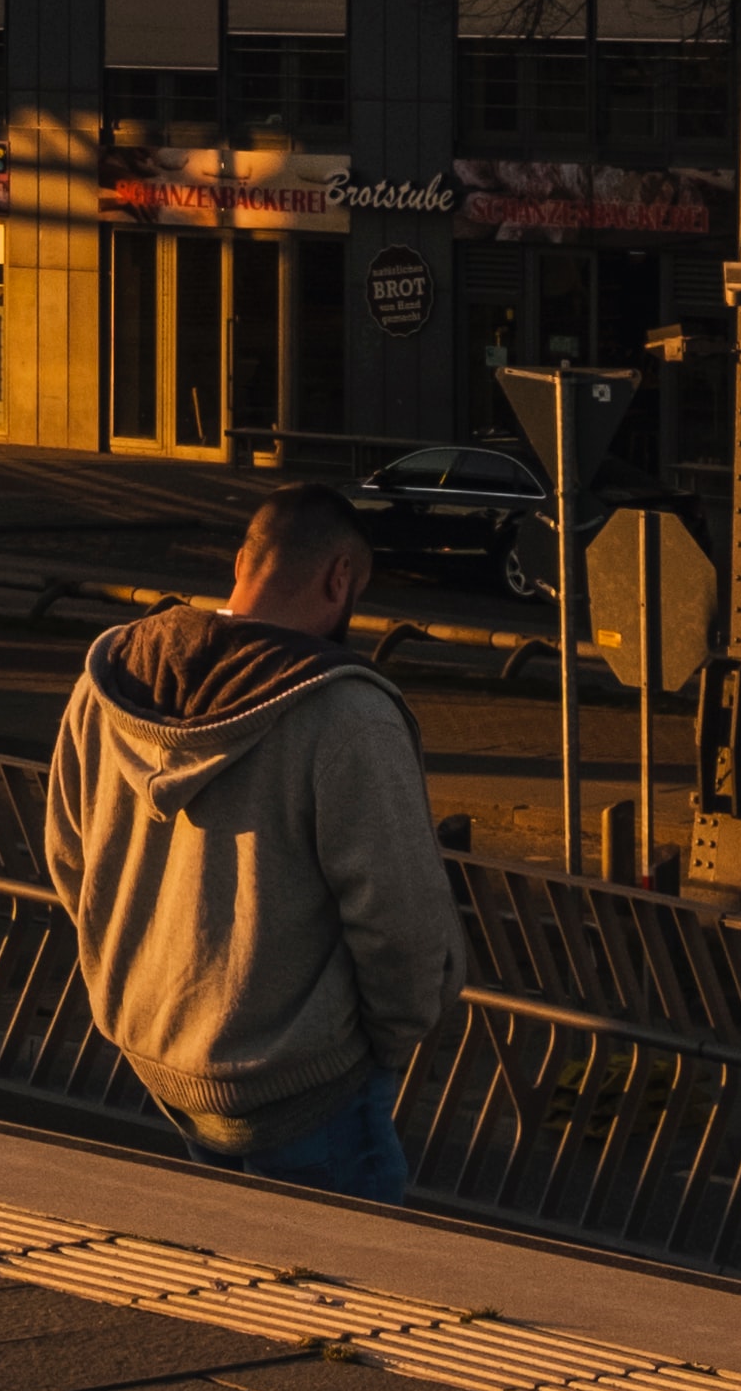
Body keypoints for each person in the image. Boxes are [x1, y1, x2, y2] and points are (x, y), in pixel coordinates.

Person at [44, 483, 464, 1203]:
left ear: (242, 560)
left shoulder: (112, 679)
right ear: (341, 579)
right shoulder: (347, 714)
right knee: (357, 1295)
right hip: (309, 1081)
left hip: (162, 1057)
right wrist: (388, 1043)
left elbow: (68, 857)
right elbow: (400, 920)